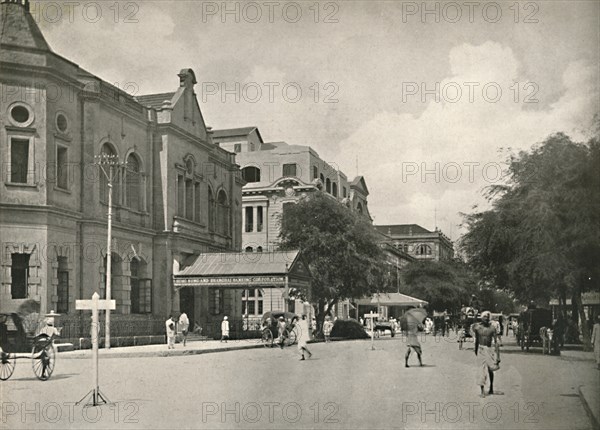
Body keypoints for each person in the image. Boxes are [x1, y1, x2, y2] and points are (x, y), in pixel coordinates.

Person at [473, 311, 501, 397]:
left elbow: (496, 342)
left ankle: (491, 387)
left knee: (490, 369)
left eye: (487, 317)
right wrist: (476, 350)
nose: (486, 319)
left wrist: (498, 356)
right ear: (481, 318)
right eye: (484, 317)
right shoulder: (478, 328)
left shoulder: (492, 328)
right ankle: (482, 390)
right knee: (481, 370)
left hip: (489, 349)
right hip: (481, 349)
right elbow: (477, 341)